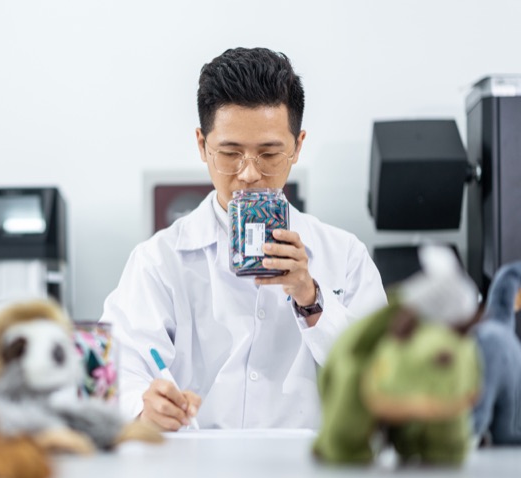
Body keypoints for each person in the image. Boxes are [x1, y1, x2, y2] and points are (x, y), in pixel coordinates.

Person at [100, 47, 387, 431]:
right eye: (230, 153)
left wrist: (312, 299)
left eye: (269, 153)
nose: (249, 174)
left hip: (308, 475)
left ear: (298, 146)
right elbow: (117, 368)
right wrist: (142, 405)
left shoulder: (343, 255)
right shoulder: (158, 260)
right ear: (202, 145)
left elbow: (383, 375)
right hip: (193, 471)